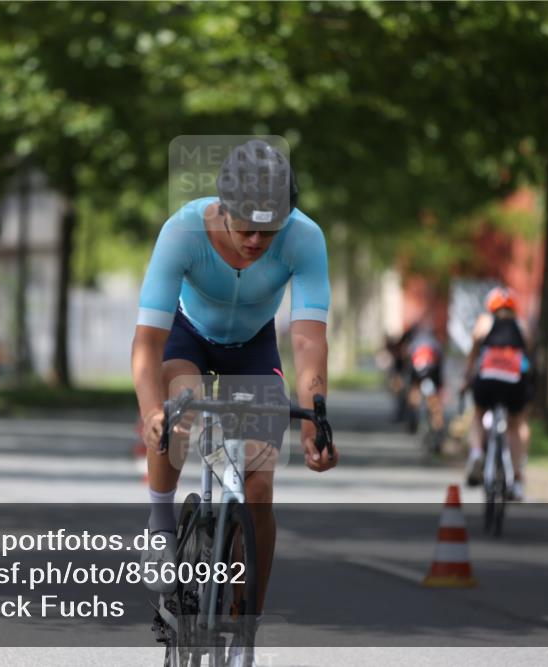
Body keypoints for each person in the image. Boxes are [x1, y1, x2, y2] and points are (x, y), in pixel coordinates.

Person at [131, 139, 337, 647]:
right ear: (221, 208)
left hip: (253, 345)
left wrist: (315, 414)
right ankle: (161, 525)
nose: (255, 240)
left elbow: (309, 337)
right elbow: (147, 342)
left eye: (269, 231)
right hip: (188, 338)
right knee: (180, 408)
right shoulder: (181, 232)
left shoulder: (305, 237)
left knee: (260, 488)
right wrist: (152, 410)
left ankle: (249, 617)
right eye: (244, 226)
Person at [462, 286, 532, 501]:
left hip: (488, 376)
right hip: (513, 379)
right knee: (517, 424)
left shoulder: (484, 322)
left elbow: (474, 354)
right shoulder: (523, 325)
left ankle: (476, 454)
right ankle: (517, 477)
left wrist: (466, 380)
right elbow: (528, 356)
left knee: (478, 414)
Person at [405, 322, 445, 442]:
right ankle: (438, 429)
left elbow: (408, 360)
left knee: (414, 391)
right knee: (434, 402)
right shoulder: (436, 343)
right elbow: (440, 366)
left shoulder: (414, 342)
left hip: (416, 369)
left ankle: (413, 415)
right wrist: (440, 386)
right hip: (432, 371)